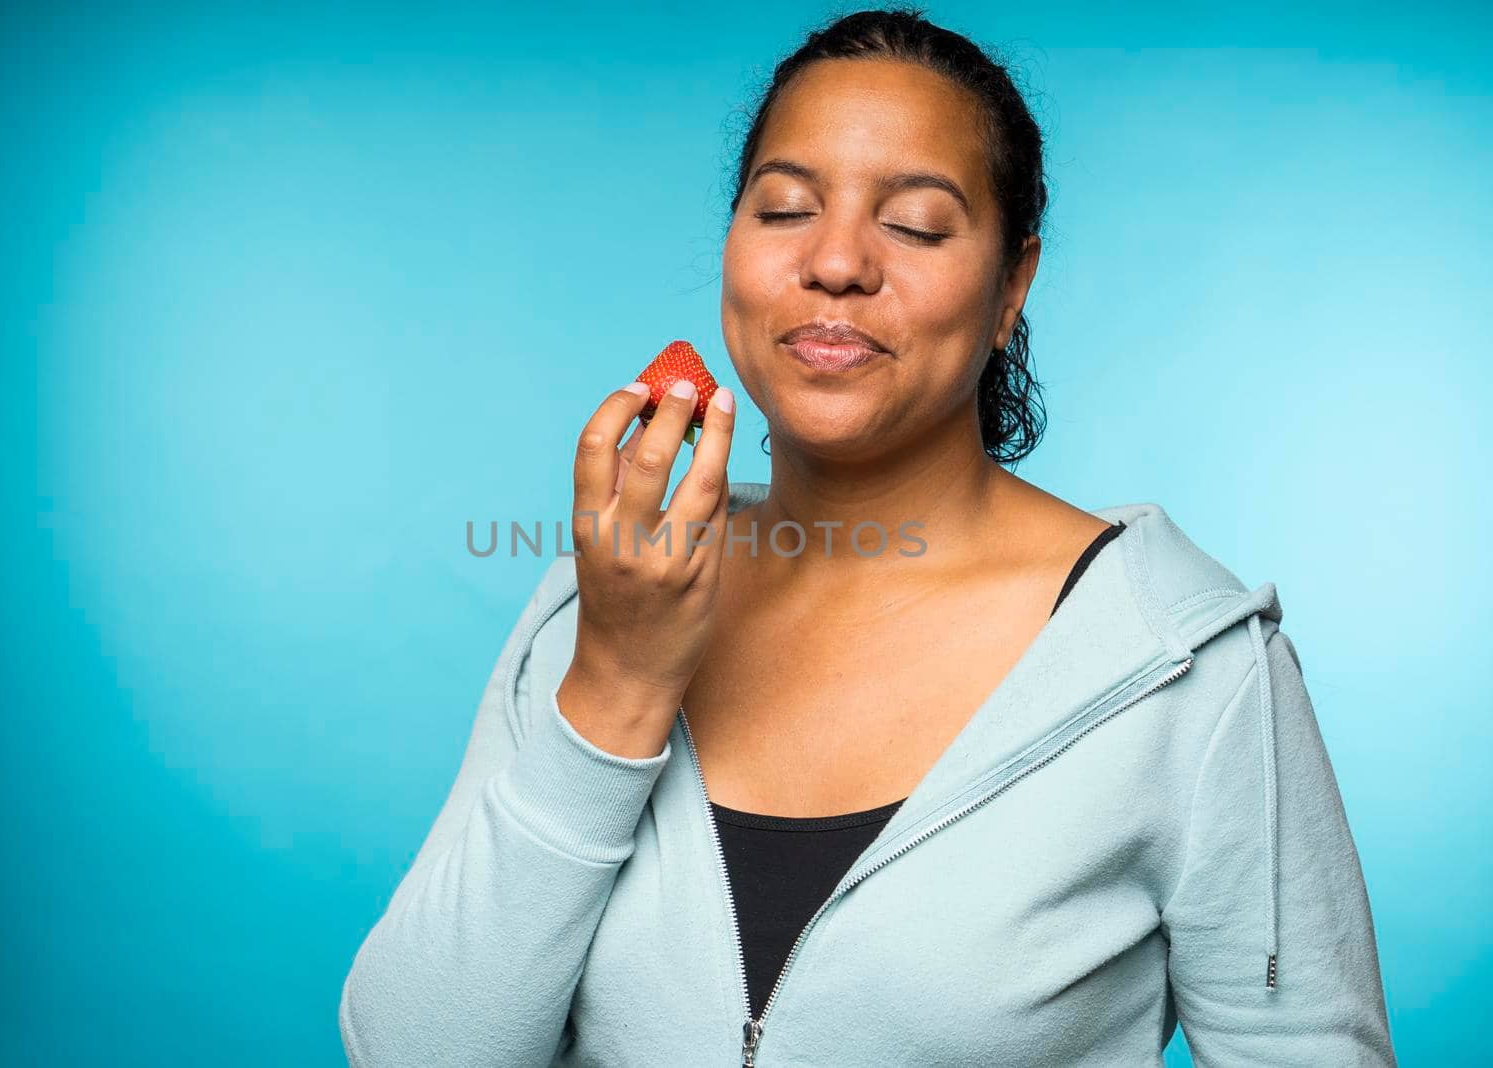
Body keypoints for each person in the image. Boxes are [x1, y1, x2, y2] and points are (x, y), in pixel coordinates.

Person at [339, 8, 1395, 1065]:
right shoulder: (602, 608)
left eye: (918, 226)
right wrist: (614, 685)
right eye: (785, 210)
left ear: (1009, 288)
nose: (835, 261)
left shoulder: (1189, 669)